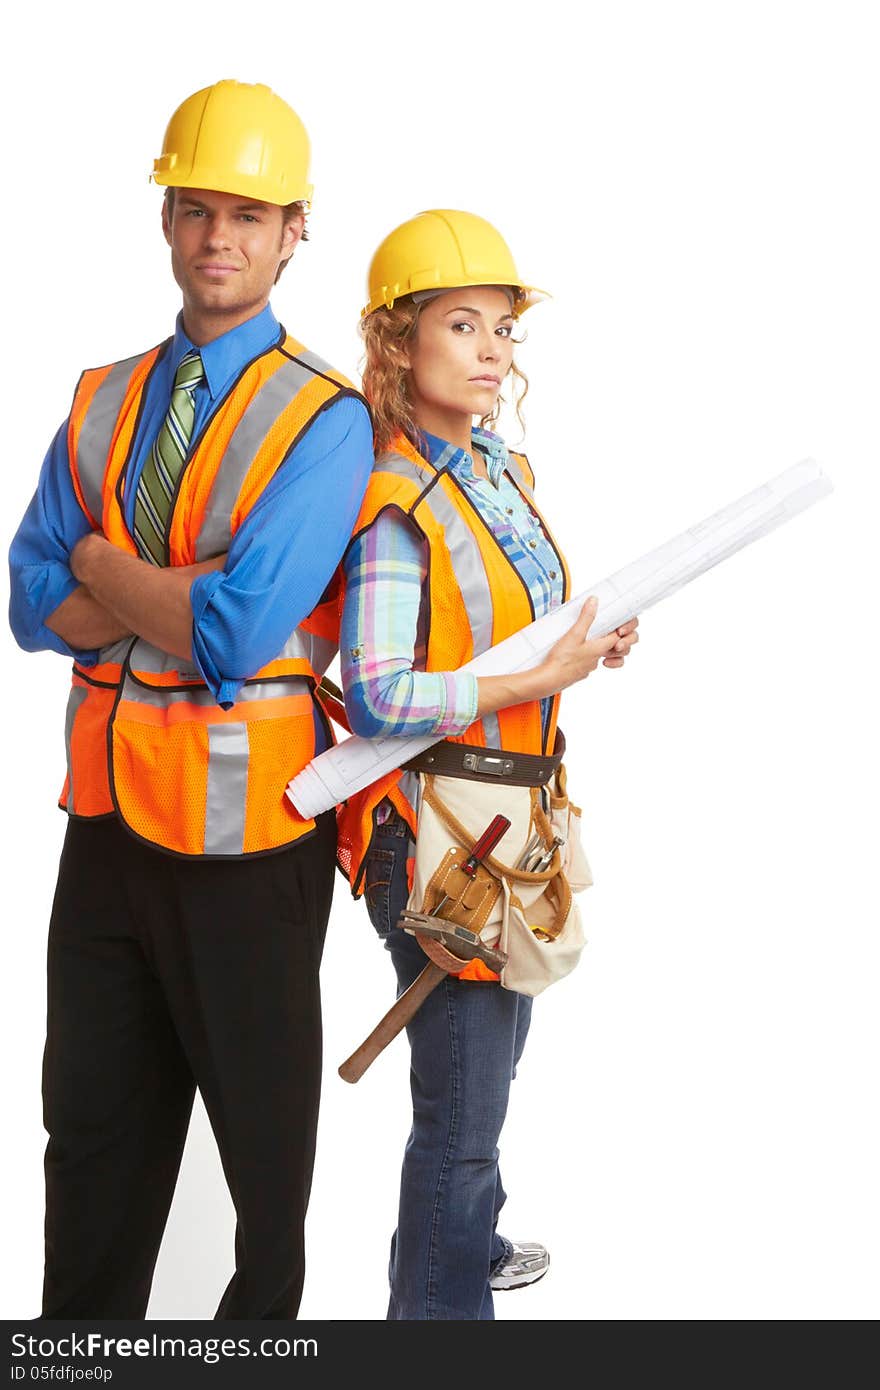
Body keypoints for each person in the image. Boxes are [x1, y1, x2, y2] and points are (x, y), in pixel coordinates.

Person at [8, 79, 373, 1319]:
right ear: (167, 220)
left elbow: (233, 630)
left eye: (250, 213)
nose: (221, 235)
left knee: (266, 1174)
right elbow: (24, 601)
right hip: (104, 823)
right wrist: (139, 578)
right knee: (91, 1146)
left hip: (249, 835)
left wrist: (97, 562)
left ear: (292, 233)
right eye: (199, 208)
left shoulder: (326, 421)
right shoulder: (101, 396)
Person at [335, 209, 639, 1320]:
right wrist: (526, 680)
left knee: (477, 1105)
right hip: (434, 843)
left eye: (502, 329)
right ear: (395, 342)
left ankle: (453, 1259)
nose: (491, 351)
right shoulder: (395, 496)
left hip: (504, 824)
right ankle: (441, 1305)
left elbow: (496, 636)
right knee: (459, 1125)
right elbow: (376, 691)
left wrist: (578, 653)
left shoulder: (493, 469)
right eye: (461, 324)